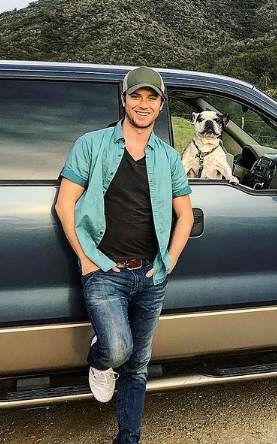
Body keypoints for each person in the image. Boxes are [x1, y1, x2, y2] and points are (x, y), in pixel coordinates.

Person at [55, 66, 194, 443]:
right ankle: (101, 356)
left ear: (162, 105)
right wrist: (85, 257)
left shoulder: (167, 157)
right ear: (124, 100)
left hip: (151, 274)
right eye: (136, 96)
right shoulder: (92, 144)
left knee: (138, 366)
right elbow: (65, 204)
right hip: (104, 270)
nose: (143, 104)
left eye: (152, 97)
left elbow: (186, 214)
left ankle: (128, 438)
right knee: (118, 350)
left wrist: (172, 258)